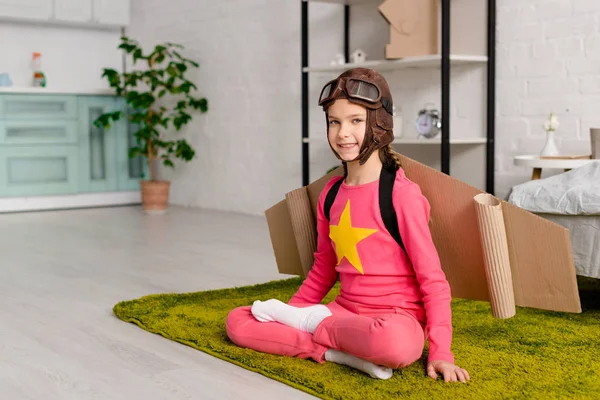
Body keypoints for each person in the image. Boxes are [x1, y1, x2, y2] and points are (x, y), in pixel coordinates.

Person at [226, 67, 470, 383]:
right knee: (238, 321)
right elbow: (324, 269)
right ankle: (336, 353)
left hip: (395, 320)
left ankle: (318, 334)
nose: (343, 133)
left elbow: (433, 281)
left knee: (397, 347)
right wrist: (293, 312)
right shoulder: (330, 194)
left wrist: (440, 353)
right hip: (343, 314)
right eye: (334, 122)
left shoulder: (401, 195)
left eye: (356, 120)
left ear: (380, 123)